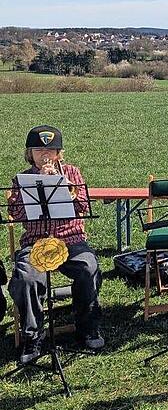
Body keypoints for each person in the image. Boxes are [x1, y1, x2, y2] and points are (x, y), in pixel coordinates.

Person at [8, 125, 104, 365]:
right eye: (39, 150)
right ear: (30, 154)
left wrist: (59, 186)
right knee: (27, 278)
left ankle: (88, 326)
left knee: (88, 268)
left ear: (59, 153)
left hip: (70, 240)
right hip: (36, 243)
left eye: (51, 150)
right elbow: (17, 214)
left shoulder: (72, 172)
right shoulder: (22, 179)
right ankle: (33, 335)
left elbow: (82, 206)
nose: (45, 155)